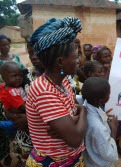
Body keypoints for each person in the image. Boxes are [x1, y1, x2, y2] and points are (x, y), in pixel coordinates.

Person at [25, 17, 87, 166]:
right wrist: (84, 110)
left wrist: (72, 120)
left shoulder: (62, 80)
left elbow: (72, 111)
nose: (78, 60)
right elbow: (75, 139)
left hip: (70, 158)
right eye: (75, 56)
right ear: (60, 62)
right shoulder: (43, 91)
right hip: (53, 161)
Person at [82, 77, 118, 167]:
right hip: (99, 164)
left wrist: (103, 116)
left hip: (90, 160)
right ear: (100, 100)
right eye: (108, 94)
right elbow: (110, 155)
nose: (110, 95)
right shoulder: (98, 128)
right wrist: (114, 129)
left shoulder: (86, 106)